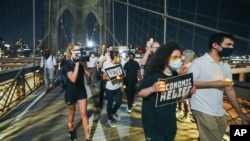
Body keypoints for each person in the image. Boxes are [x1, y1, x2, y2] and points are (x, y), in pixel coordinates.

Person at [187, 33, 250, 141]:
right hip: (202, 109)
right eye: (228, 45)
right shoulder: (199, 62)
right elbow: (189, 82)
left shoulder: (225, 66)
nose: (231, 48)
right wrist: (215, 83)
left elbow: (229, 89)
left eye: (232, 45)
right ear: (215, 45)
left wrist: (241, 114)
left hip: (219, 111)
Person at [137, 42, 188, 141]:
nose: (178, 60)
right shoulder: (153, 74)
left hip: (170, 125)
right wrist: (152, 89)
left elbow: (176, 95)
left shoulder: (175, 75)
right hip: (153, 125)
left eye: (179, 57)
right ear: (165, 58)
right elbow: (140, 92)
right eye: (174, 57)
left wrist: (187, 90)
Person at [63, 43, 91, 141]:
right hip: (71, 92)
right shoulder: (67, 64)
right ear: (71, 51)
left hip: (81, 90)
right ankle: (71, 130)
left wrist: (84, 65)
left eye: (79, 50)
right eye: (76, 50)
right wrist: (77, 64)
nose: (78, 52)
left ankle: (87, 137)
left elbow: (88, 74)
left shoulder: (82, 61)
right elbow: (73, 79)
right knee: (71, 113)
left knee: (84, 113)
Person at [102, 50, 123, 128]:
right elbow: (104, 77)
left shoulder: (119, 64)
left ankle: (113, 113)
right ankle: (110, 119)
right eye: (119, 56)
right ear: (115, 57)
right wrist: (114, 77)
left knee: (119, 102)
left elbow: (121, 76)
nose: (119, 57)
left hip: (117, 87)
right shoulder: (107, 65)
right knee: (110, 104)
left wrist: (121, 83)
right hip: (109, 88)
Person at [176, 50, 197, 123]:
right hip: (181, 85)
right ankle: (181, 111)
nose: (182, 56)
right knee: (181, 100)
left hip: (187, 86)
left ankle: (187, 116)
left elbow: (181, 73)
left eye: (184, 55)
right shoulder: (182, 64)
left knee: (186, 102)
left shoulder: (190, 65)